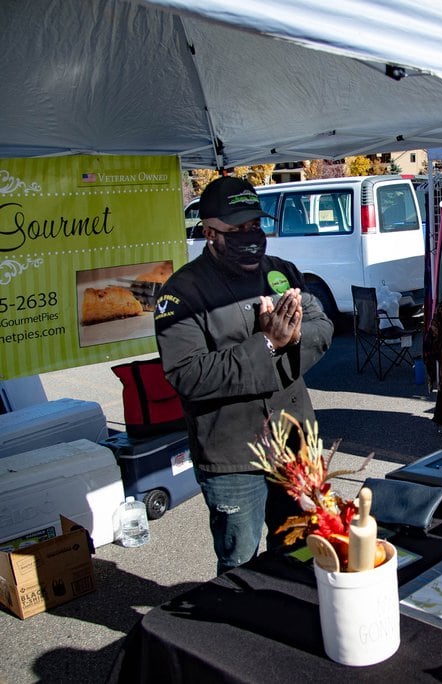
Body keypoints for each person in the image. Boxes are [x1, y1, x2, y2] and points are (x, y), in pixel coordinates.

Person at [154, 176, 334, 574]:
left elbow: (323, 325)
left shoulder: (281, 272)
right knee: (240, 561)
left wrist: (294, 338)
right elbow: (187, 374)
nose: (250, 237)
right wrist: (267, 344)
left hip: (294, 443)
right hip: (233, 454)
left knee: (305, 545)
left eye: (255, 227)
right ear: (209, 232)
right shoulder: (181, 293)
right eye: (236, 230)